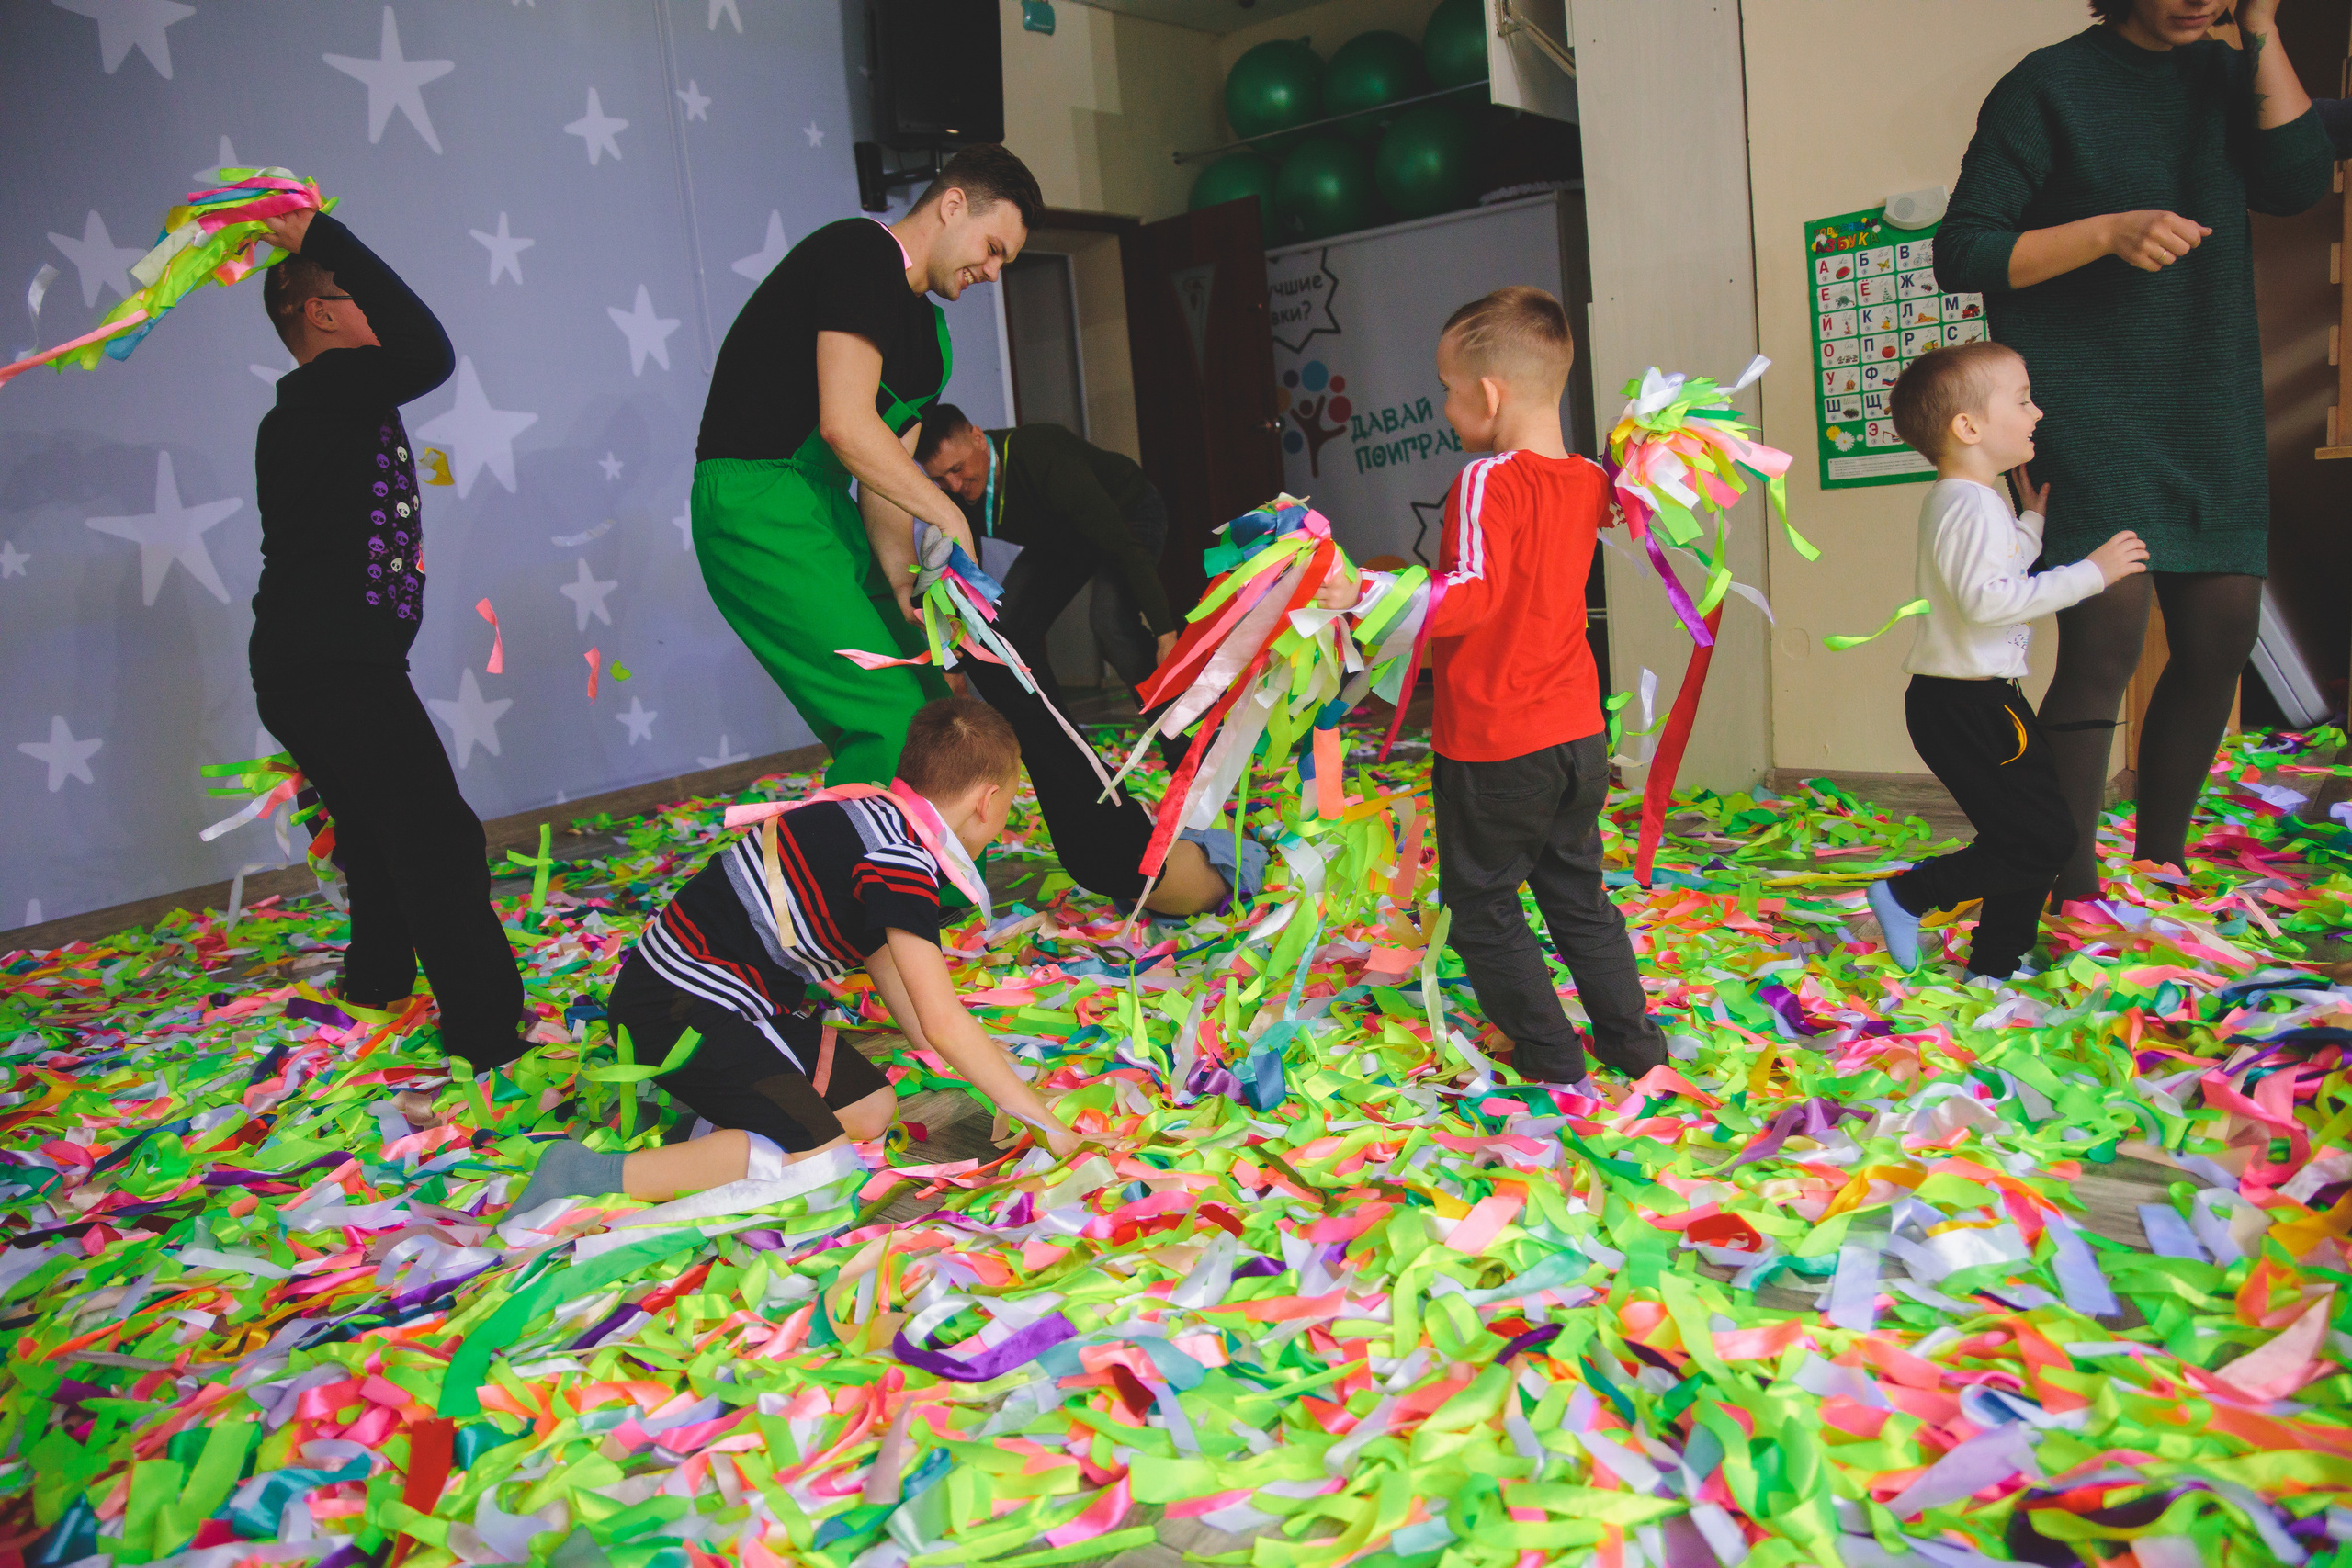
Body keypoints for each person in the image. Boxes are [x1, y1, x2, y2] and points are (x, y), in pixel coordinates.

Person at [1933, 0, 2332, 906]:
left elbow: (2299, 178)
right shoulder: (2047, 87)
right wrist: (2104, 233)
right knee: (2106, 639)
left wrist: (2261, 33)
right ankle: (2067, 891)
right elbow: (1962, 250)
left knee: (2221, 631)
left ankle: (2160, 861)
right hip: (2086, 403)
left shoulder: (2230, 77)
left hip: (2208, 397)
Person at [513, 699, 1090, 1212]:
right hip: (681, 1007)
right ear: (988, 803)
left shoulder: (875, 817)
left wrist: (1003, 1085)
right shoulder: (903, 862)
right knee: (826, 1168)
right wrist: (1045, 1121)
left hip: (726, 998)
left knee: (871, 1107)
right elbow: (941, 1020)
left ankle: (711, 1138)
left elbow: (917, 1013)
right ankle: (586, 1173)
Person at [1327, 288, 1666, 1090]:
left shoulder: (1487, 481)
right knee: (1578, 894)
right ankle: (1635, 1046)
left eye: (1447, 389)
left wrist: (1363, 596)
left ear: (1488, 394)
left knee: (1481, 909)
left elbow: (1471, 592)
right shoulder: (1587, 476)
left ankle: (1552, 1056)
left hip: (1497, 744)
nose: (1445, 408)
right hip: (1578, 740)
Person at [247, 206, 529, 1076]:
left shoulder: (318, 406)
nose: (374, 306)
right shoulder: (330, 392)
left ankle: (376, 980)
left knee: (373, 830)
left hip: (311, 664)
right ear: (321, 311)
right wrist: (320, 238)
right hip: (333, 666)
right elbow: (429, 350)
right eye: (354, 293)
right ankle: (486, 1034)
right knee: (436, 838)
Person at [692, 145, 1043, 787]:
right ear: (953, 204)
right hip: (755, 500)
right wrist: (950, 518)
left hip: (821, 501)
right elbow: (846, 426)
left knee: (940, 713)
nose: (994, 272)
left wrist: (899, 575)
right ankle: (872, 881)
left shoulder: (930, 340)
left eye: (1006, 262)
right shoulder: (861, 253)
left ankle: (947, 888)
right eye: (993, 248)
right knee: (891, 721)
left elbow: (885, 473)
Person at [1865, 344, 2148, 983]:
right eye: (2022, 399)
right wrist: (2091, 574)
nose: (2038, 412)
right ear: (1968, 427)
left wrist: (2031, 522)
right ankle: (1908, 897)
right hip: (1966, 707)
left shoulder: (1972, 501)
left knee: (2028, 836)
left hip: (1984, 701)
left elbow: (1995, 566)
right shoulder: (1964, 504)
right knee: (2041, 839)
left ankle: (1996, 963)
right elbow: (1988, 600)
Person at [915, 406, 1182, 729]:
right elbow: (965, 576)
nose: (955, 485)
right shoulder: (953, 493)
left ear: (977, 438)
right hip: (1062, 537)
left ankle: (1183, 743)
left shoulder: (1042, 454)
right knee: (1008, 629)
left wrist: (1166, 634)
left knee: (1110, 621)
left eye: (958, 469)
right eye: (941, 479)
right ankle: (1067, 751)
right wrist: (953, 665)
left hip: (1126, 514)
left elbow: (1122, 545)